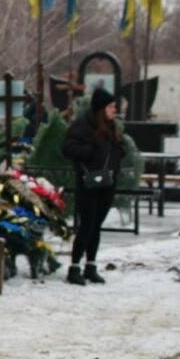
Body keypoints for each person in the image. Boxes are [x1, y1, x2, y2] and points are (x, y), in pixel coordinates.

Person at [62, 88, 125, 285]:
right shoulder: (83, 126)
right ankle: (74, 267)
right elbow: (68, 148)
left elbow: (118, 148)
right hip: (88, 182)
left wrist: (115, 156)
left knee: (96, 226)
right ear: (101, 108)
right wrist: (91, 152)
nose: (115, 110)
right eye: (111, 106)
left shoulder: (111, 127)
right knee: (86, 226)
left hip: (107, 182)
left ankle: (91, 265)